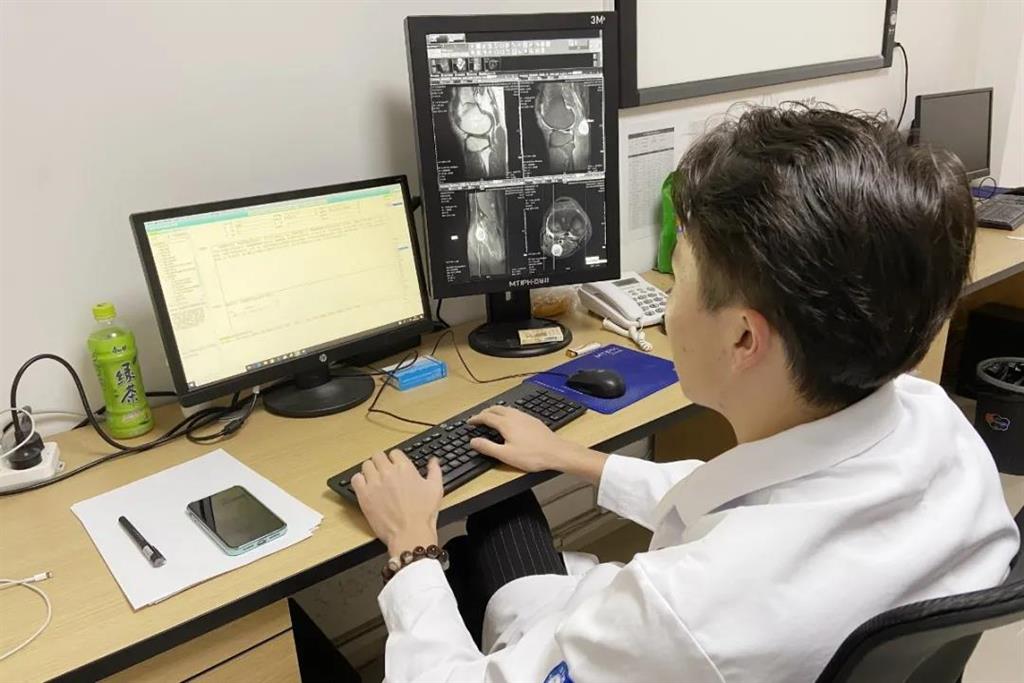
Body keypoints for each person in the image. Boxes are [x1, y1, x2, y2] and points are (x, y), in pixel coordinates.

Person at [351, 104, 1020, 682]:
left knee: (488, 528)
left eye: (677, 279)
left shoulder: (687, 610)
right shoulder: (940, 425)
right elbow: (753, 498)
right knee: (500, 517)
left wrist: (410, 548)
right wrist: (571, 458)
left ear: (743, 338)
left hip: (638, 651)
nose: (667, 307)